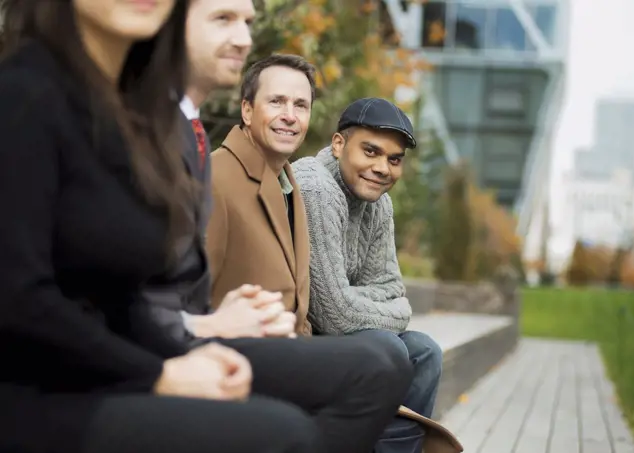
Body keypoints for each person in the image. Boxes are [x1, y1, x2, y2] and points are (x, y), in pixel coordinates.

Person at [0, 1, 409, 453]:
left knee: (378, 368)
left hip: (130, 350)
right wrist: (167, 366)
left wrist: (182, 348)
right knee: (285, 432)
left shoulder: (117, 111)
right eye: (222, 19)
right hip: (42, 392)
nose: (243, 38)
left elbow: (121, 297)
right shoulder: (26, 96)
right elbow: (18, 300)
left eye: (248, 23)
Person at [293, 97, 444, 453]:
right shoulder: (316, 187)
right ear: (338, 144)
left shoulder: (379, 202)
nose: (383, 168)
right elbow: (333, 314)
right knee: (388, 346)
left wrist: (354, 296)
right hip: (298, 338)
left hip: (341, 333)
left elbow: (391, 288)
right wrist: (368, 301)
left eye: (394, 160)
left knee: (425, 352)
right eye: (371, 152)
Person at [205, 53, 315, 334]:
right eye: (276, 101)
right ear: (247, 110)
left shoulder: (288, 182)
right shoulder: (213, 177)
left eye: (300, 105)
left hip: (289, 354)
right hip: (236, 356)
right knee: (381, 356)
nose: (290, 116)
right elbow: (189, 299)